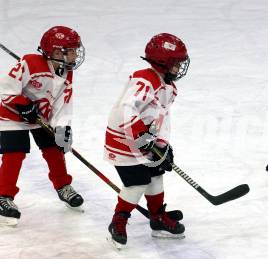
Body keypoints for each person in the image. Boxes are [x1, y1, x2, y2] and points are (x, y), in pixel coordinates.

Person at [105, 33, 189, 248]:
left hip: (145, 141)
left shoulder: (168, 87)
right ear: (163, 62)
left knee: (156, 177)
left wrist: (162, 145)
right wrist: (142, 137)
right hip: (122, 142)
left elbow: (161, 118)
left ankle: (157, 218)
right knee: (137, 183)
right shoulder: (144, 79)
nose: (180, 67)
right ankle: (118, 221)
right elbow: (126, 110)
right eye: (176, 63)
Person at [0, 26, 85, 226]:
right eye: (70, 50)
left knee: (54, 149)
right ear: (56, 52)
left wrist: (62, 128)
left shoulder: (66, 73)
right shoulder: (29, 63)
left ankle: (63, 186)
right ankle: (3, 196)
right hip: (11, 114)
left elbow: (62, 103)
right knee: (15, 154)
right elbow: (5, 91)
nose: (75, 54)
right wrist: (23, 104)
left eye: (75, 49)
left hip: (40, 116)